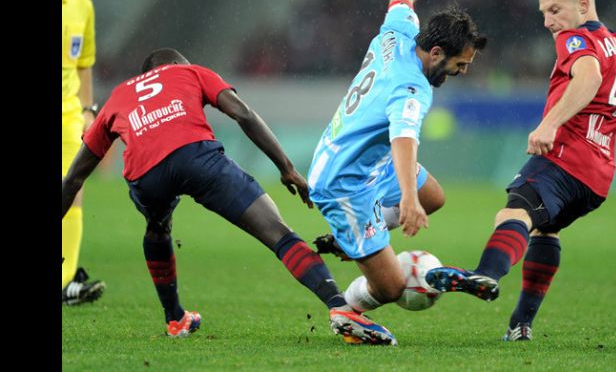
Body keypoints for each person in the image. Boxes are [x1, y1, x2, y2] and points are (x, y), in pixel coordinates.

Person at [426, 0, 616, 341]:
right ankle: (520, 325)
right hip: (598, 177)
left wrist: (549, 125)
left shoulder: (575, 38)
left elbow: (588, 77)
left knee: (514, 212)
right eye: (544, 13)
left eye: (555, 10)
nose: (548, 22)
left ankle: (486, 274)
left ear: (584, 6)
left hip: (564, 157)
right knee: (547, 228)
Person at [62, 48, 395, 342]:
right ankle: (339, 306)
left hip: (146, 175)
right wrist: (286, 167)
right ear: (178, 64)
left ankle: (175, 319)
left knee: (157, 227)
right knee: (277, 233)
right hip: (198, 158)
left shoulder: (120, 95)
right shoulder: (191, 72)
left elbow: (75, 176)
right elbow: (243, 113)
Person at [306, 0, 489, 345]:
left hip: (366, 161)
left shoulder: (401, 32)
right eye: (460, 64)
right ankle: (346, 311)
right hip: (344, 181)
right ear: (436, 52)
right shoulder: (412, 89)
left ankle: (353, 239)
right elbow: (403, 141)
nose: (463, 72)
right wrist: (407, 198)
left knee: (433, 196)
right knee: (390, 288)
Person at [62, 0, 106, 305]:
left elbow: (84, 64)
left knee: (73, 190)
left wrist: (89, 111)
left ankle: (64, 281)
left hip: (67, 116)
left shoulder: (83, 6)